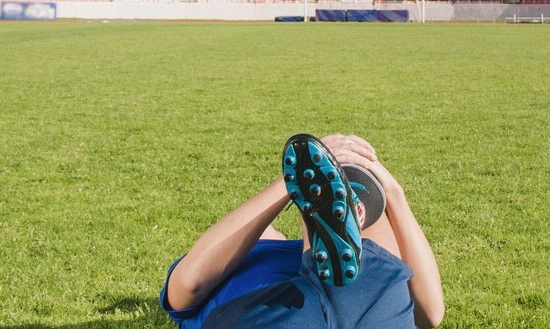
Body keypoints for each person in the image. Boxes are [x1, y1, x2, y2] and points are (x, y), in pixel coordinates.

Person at [159, 133, 445, 328]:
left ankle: (350, 197)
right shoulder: (221, 258)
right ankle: (351, 197)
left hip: (289, 309)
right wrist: (292, 180)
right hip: (328, 306)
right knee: (367, 250)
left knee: (355, 250)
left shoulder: (314, 251)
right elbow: (189, 284)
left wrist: (393, 192)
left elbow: (430, 314)